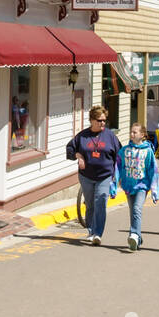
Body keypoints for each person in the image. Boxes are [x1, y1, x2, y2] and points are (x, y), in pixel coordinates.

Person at [66, 105, 121, 245]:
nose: (103, 123)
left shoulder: (110, 136)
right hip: (86, 176)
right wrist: (78, 156)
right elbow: (70, 149)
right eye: (99, 120)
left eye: (104, 120)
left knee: (101, 201)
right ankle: (90, 230)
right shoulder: (82, 136)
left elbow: (119, 154)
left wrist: (119, 175)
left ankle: (98, 233)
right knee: (90, 205)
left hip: (105, 175)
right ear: (91, 120)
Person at [117, 123, 159, 251]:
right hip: (128, 186)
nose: (132, 134)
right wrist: (115, 184)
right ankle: (137, 238)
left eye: (135, 132)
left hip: (142, 186)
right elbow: (117, 167)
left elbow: (153, 170)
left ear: (142, 135)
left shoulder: (148, 151)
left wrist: (154, 190)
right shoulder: (124, 150)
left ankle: (134, 234)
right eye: (131, 132)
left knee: (136, 209)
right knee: (133, 212)